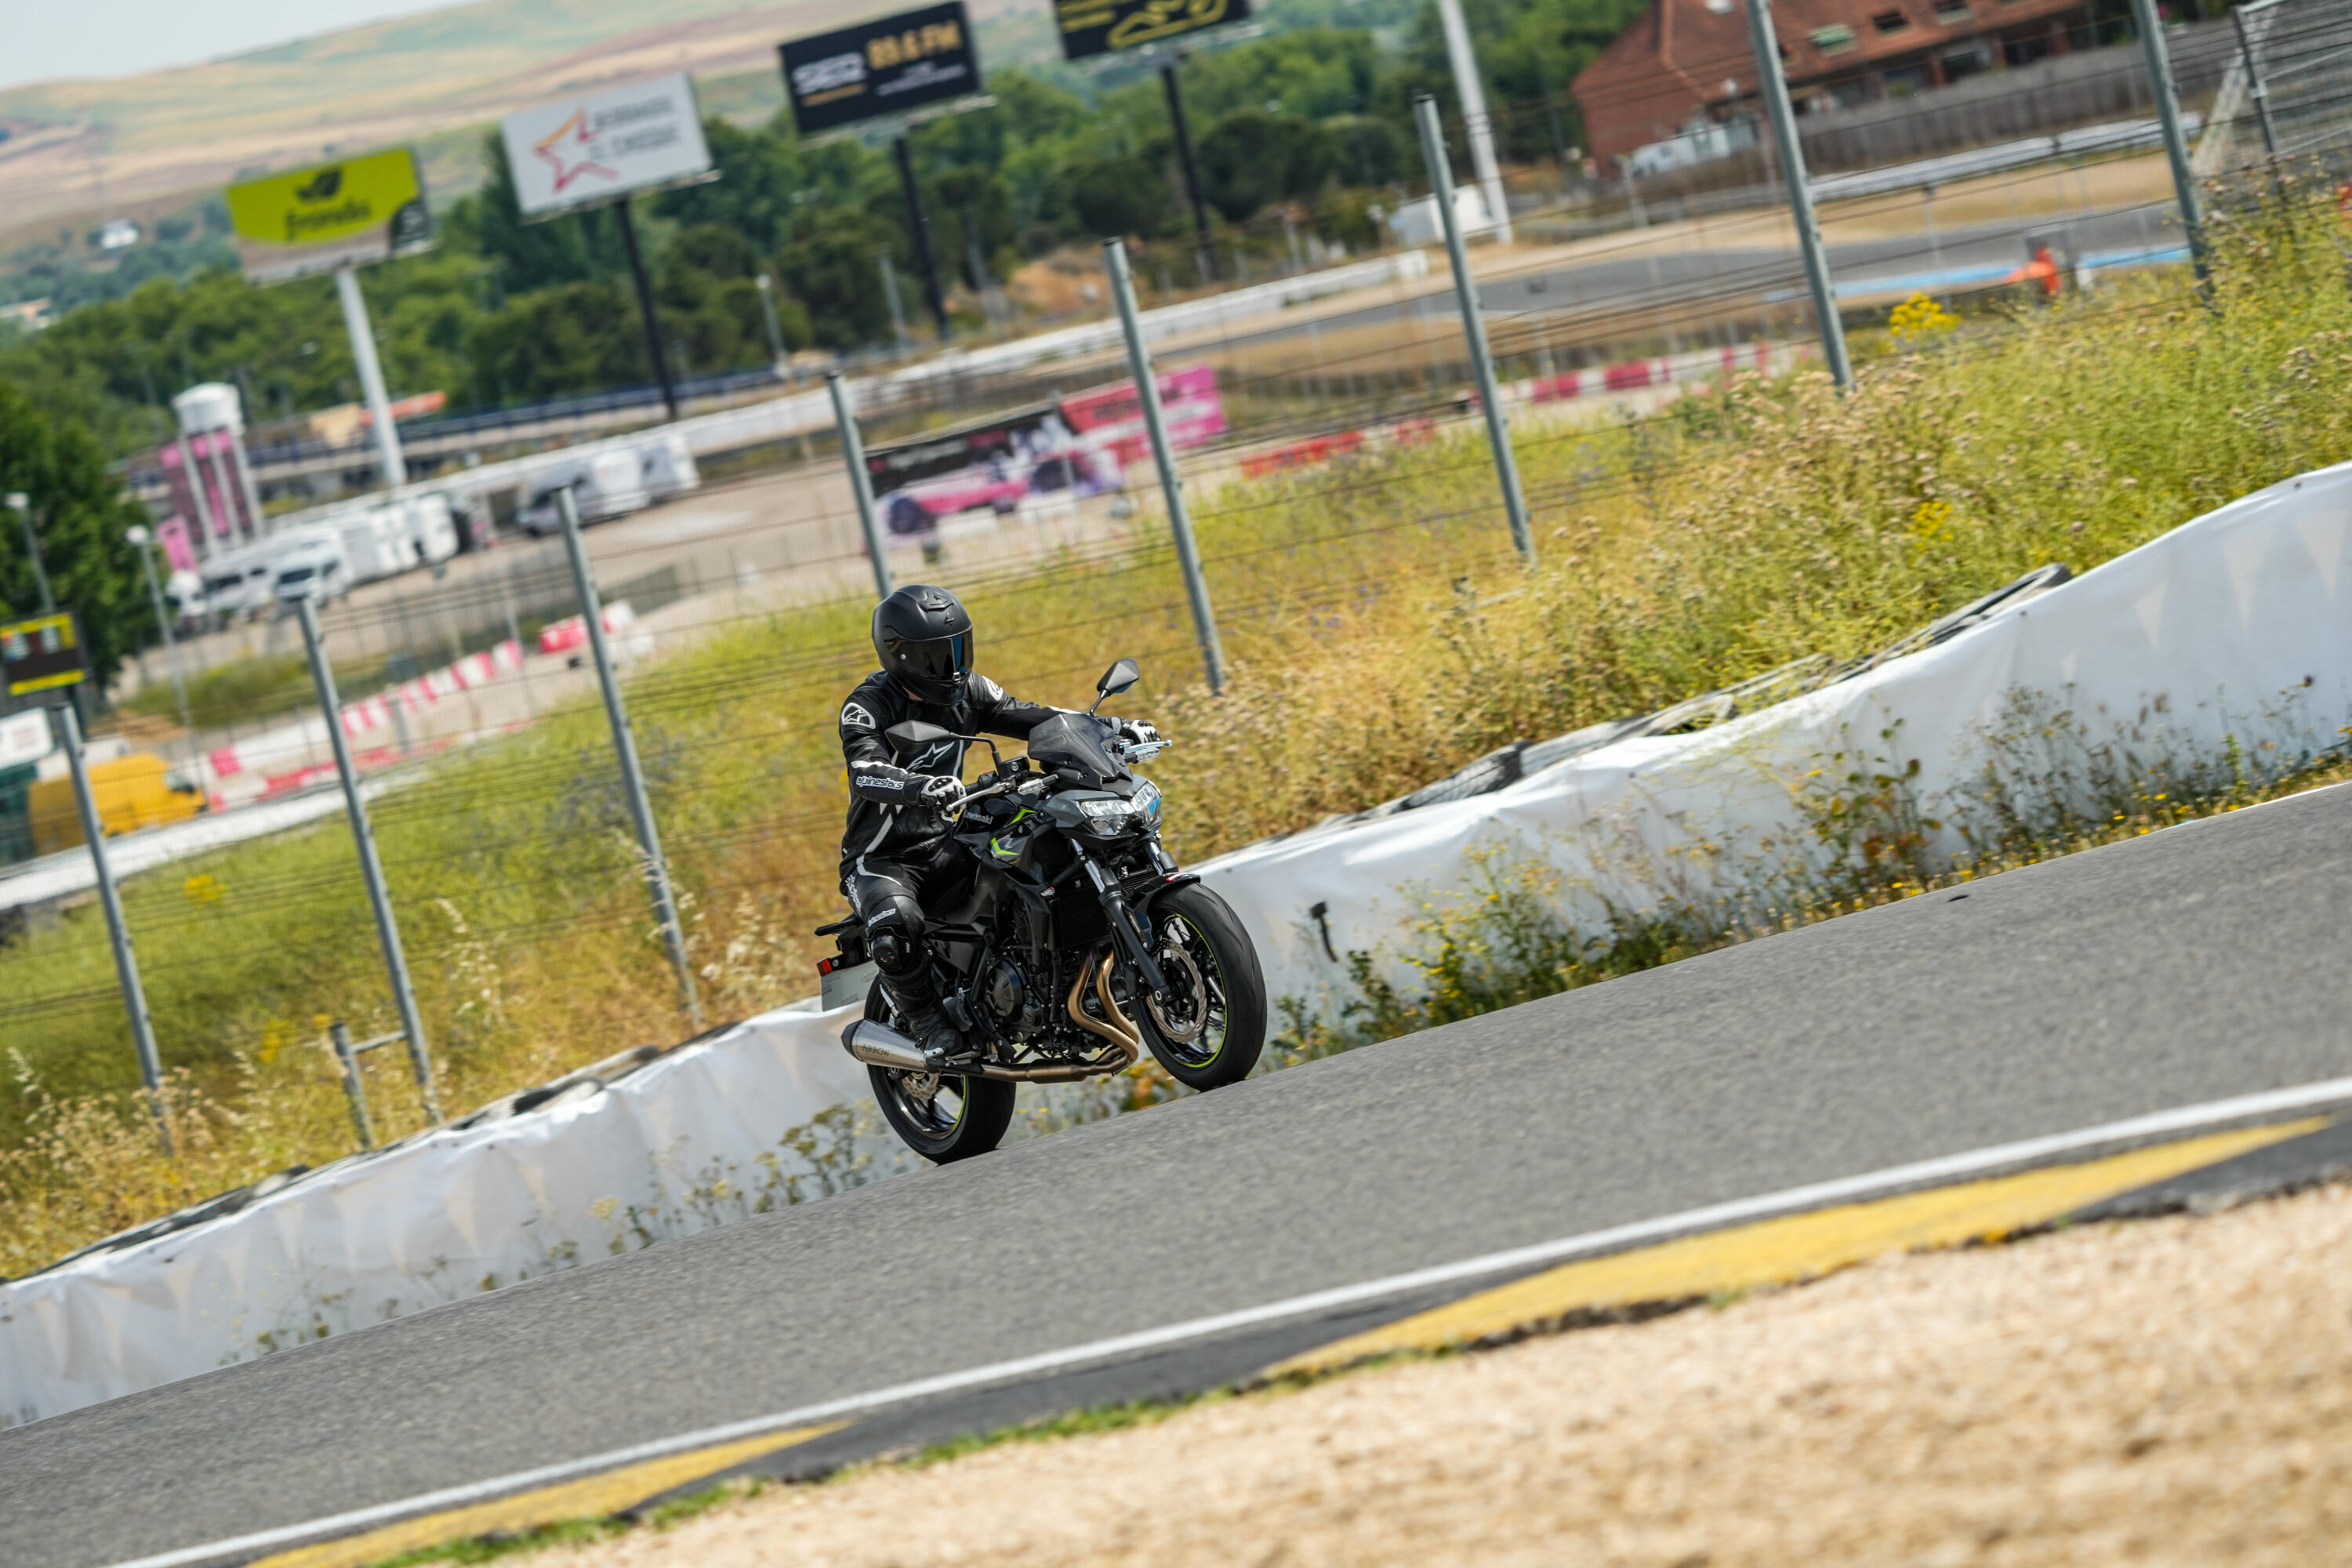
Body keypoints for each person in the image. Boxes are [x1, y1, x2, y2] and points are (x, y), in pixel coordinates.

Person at [839, 584, 1156, 1065]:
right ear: (899, 654)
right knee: (897, 925)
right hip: (883, 860)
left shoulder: (970, 688)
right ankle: (929, 1026)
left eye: (958, 648)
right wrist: (919, 786)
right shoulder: (869, 706)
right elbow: (865, 770)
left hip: (947, 840)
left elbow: (1034, 716)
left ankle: (1050, 977)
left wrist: (1112, 726)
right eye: (935, 657)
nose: (952, 666)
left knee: (1040, 848)